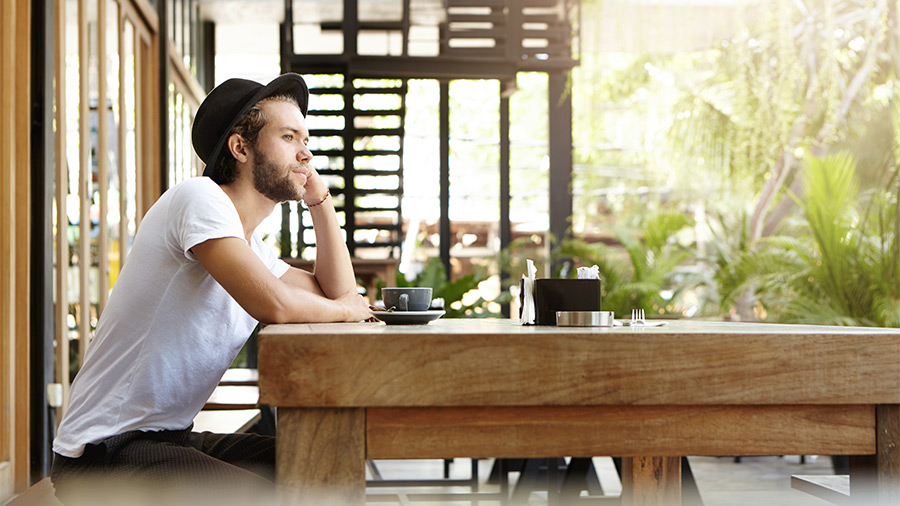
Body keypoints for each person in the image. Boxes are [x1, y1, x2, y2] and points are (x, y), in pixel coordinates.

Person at [50, 74, 372, 504]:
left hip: (170, 440)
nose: (305, 152)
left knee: (322, 464)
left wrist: (320, 200)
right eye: (289, 136)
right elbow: (277, 305)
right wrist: (350, 312)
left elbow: (336, 292)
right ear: (241, 148)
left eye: (306, 139)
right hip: (104, 452)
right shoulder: (198, 199)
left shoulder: (248, 245)